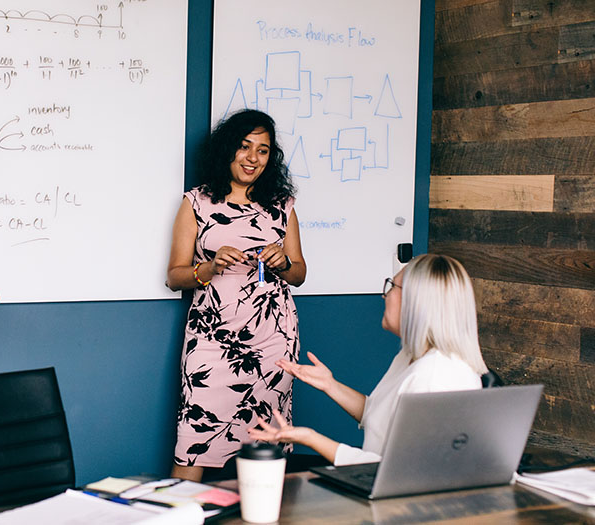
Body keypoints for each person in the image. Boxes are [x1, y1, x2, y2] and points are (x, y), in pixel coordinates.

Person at [167, 109, 307, 481]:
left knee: (267, 443)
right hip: (212, 340)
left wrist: (283, 262)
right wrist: (209, 268)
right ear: (227, 149)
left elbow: (300, 274)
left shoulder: (282, 205)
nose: (252, 158)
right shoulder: (196, 203)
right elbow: (174, 276)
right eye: (244, 147)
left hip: (273, 341)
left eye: (263, 150)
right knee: (194, 442)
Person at [249, 254, 488, 465]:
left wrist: (310, 438)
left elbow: (393, 471)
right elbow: (379, 417)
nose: (384, 296)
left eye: (391, 287)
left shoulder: (436, 377)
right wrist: (330, 385)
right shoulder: (412, 356)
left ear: (415, 301)